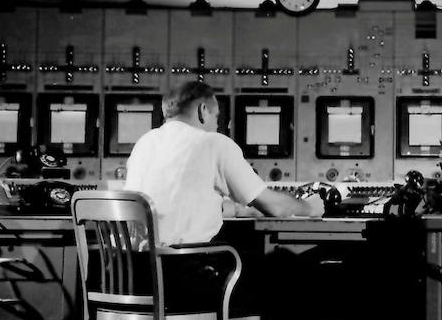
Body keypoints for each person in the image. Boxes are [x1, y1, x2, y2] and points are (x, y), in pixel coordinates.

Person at [126, 79, 322, 247]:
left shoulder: (144, 143)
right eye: (217, 116)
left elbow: (176, 202)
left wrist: (238, 209)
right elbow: (275, 208)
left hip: (131, 271)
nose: (219, 125)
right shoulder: (213, 143)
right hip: (181, 270)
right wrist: (308, 207)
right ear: (203, 111)